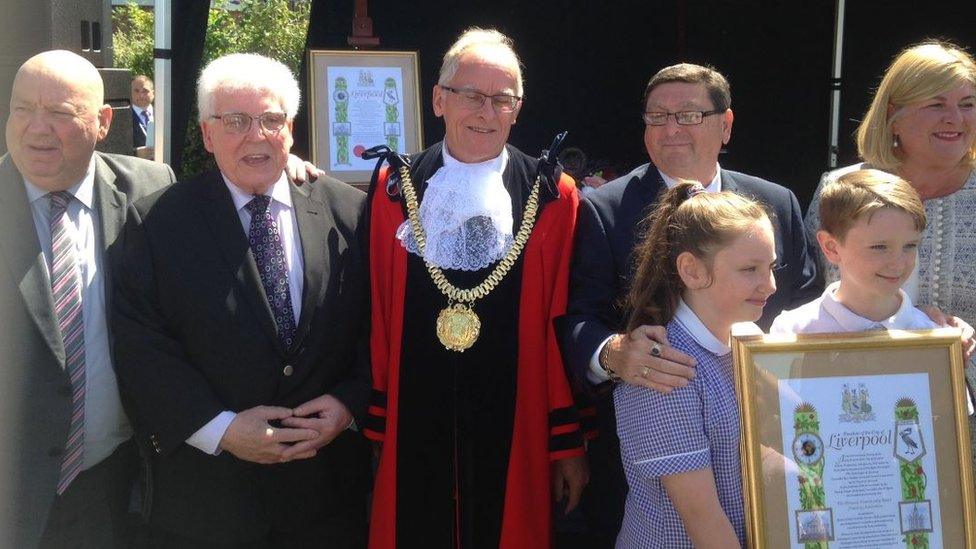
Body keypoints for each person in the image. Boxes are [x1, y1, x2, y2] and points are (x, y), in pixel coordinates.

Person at [111, 53, 371, 547]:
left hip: (326, 502)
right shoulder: (159, 222)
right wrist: (222, 429)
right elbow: (141, 346)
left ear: (290, 129)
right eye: (235, 121)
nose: (256, 136)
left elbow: (376, 326)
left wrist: (347, 403)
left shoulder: (350, 211)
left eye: (270, 120)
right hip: (208, 505)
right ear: (208, 135)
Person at [556, 62, 820, 545]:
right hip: (653, 461)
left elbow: (803, 307)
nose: (670, 128)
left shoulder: (775, 202)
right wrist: (614, 353)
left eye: (688, 115)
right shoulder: (605, 207)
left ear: (726, 125)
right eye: (656, 117)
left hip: (761, 447)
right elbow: (576, 317)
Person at [365, 27, 587, 549]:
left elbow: (559, 326)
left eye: (501, 99)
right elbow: (377, 312)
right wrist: (379, 427)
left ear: (517, 109)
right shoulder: (393, 190)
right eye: (471, 95)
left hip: (518, 424)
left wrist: (563, 445)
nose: (486, 112)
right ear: (440, 99)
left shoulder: (554, 197)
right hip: (414, 419)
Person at [0, 50, 176, 548]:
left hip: (113, 482)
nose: (37, 128)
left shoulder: (149, 187)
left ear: (102, 122)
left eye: (59, 113)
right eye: (22, 109)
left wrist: (282, 171)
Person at [803, 40, 976, 463]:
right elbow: (801, 299)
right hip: (855, 422)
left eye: (968, 103)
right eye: (936, 104)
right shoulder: (840, 189)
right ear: (893, 116)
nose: (955, 118)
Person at [614, 181, 777, 547]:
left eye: (771, 266)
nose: (770, 284)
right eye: (750, 269)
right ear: (692, 270)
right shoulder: (665, 370)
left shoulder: (747, 344)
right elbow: (702, 519)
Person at [131, 75, 154, 155]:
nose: (141, 95)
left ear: (153, 93)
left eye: (145, 91)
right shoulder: (122, 118)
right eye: (136, 91)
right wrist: (135, 153)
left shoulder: (164, 116)